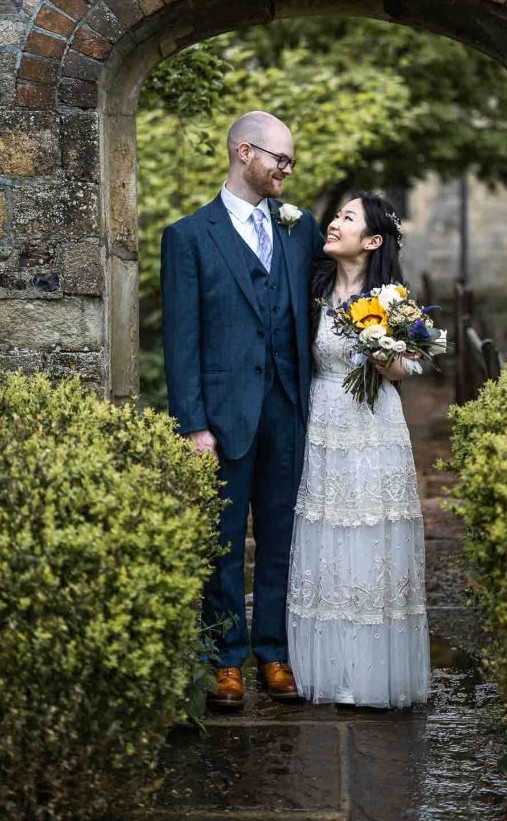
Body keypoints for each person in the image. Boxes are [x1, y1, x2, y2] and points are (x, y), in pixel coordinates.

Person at [160, 110, 324, 710]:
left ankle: (273, 652)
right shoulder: (188, 236)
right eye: (280, 158)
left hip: (287, 407)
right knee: (223, 542)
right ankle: (225, 661)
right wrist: (193, 425)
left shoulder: (300, 229)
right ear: (244, 152)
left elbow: (340, 287)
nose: (287, 169)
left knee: (281, 536)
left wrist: (388, 320)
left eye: (290, 161)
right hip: (223, 415)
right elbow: (181, 339)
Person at [287, 192, 431, 707]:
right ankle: (328, 668)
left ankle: (371, 675)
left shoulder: (393, 299)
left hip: (374, 428)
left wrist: (384, 352)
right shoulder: (312, 289)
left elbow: (409, 368)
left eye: (348, 217)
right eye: (337, 214)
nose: (334, 222)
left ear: (372, 241)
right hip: (323, 421)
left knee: (371, 538)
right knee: (327, 538)